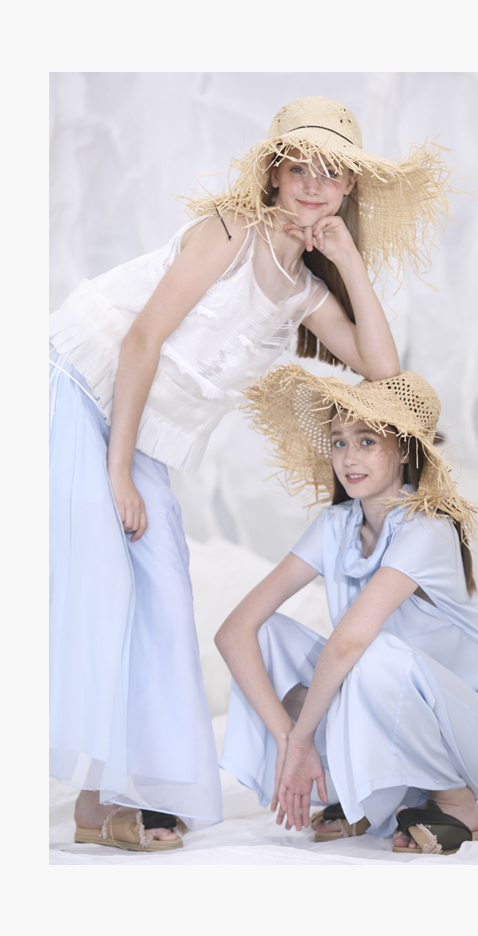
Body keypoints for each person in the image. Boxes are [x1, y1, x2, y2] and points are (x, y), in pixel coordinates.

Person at [49, 95, 455, 851]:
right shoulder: (231, 232)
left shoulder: (305, 292)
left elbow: (383, 373)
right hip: (78, 393)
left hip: (136, 436)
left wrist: (348, 259)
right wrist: (118, 470)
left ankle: (99, 803)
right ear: (273, 175)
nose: (313, 185)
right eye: (300, 168)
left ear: (349, 188)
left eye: (332, 175)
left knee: (164, 596)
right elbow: (141, 340)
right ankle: (98, 801)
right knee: (100, 584)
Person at [215, 365, 478, 854]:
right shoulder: (335, 526)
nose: (349, 458)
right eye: (339, 442)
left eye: (367, 441)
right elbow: (234, 631)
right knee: (266, 638)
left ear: (404, 450)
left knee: (369, 653)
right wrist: (288, 739)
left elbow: (350, 642)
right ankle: (365, 793)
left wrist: (303, 739)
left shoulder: (427, 528)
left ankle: (456, 802)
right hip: (402, 711)